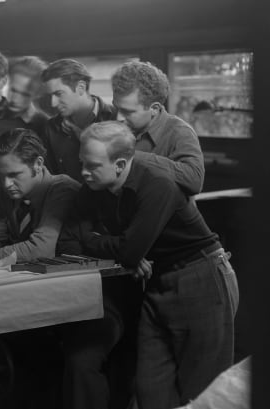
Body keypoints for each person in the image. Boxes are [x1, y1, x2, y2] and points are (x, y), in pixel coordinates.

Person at [72, 121, 237, 409]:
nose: (84, 171)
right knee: (150, 391)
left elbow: (129, 251)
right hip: (158, 283)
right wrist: (122, 248)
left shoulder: (156, 184)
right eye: (82, 162)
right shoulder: (93, 186)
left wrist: (114, 245)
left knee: (202, 395)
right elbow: (80, 236)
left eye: (93, 165)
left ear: (121, 164)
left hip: (201, 279)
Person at [0, 128, 80, 266]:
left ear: (38, 164)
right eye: (0, 174)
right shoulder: (4, 191)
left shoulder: (63, 189)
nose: (7, 184)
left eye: (14, 174)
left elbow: (41, 250)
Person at [111, 60, 204, 194]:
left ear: (154, 108)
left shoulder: (179, 132)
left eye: (128, 112)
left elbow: (194, 181)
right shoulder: (117, 127)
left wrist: (133, 157)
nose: (118, 118)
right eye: (116, 107)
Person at [40, 59, 117, 182]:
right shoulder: (50, 128)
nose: (53, 103)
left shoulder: (116, 118)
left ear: (81, 87)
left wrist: (84, 137)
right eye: (50, 96)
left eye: (59, 94)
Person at [0, 56, 49, 137]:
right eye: (13, 90)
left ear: (37, 95)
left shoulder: (46, 127)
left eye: (25, 94)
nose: (15, 99)